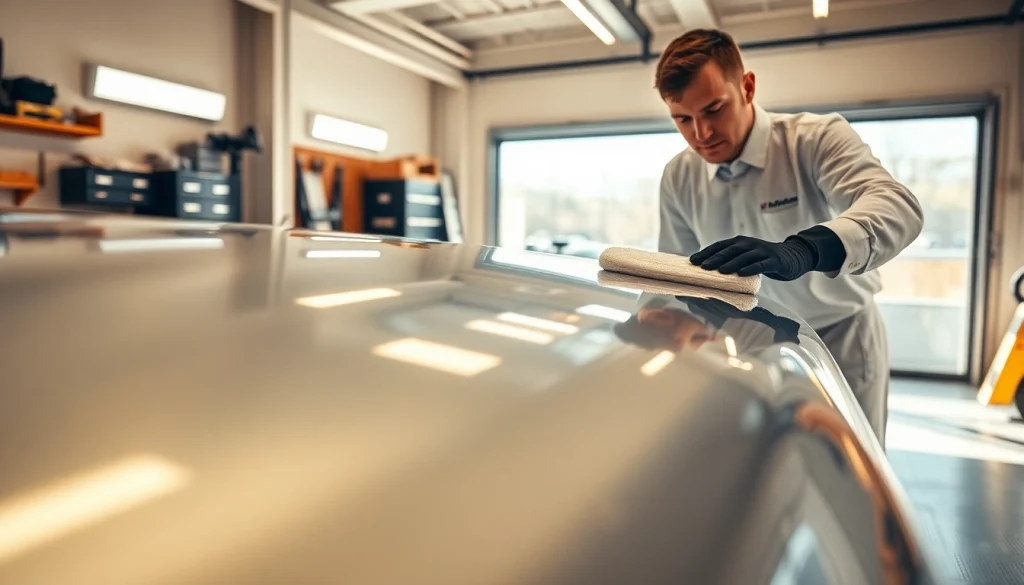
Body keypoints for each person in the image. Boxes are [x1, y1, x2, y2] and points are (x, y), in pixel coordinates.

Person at [654, 29, 923, 444]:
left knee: (847, 471)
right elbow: (676, 270)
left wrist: (804, 250)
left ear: (747, 87)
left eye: (713, 109)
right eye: (683, 119)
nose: (701, 133)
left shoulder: (814, 139)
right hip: (741, 341)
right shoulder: (679, 175)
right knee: (758, 474)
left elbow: (896, 205)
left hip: (838, 337)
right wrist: (655, 319)